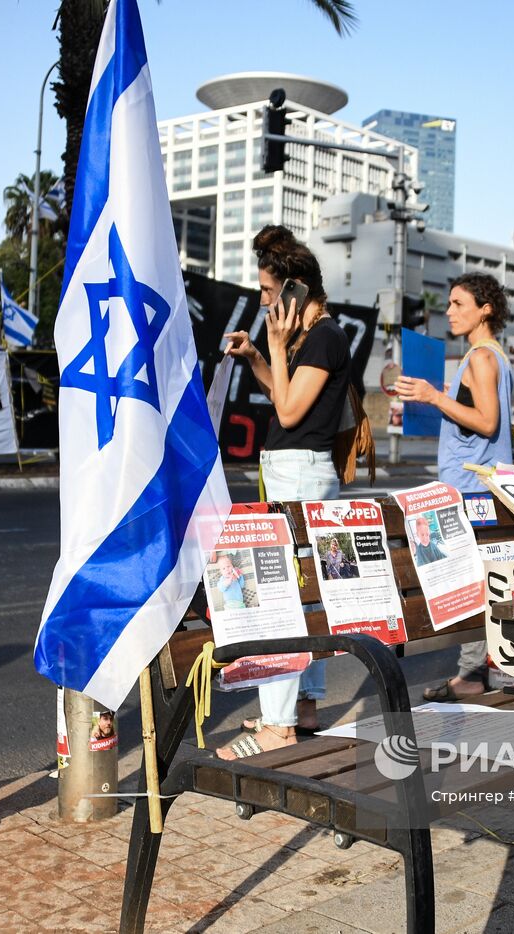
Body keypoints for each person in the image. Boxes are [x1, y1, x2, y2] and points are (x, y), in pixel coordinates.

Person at [219, 225, 351, 757]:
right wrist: (258, 356)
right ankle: (306, 703)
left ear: (295, 291)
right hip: (294, 469)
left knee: (280, 597)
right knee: (304, 590)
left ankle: (279, 723)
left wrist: (274, 343)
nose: (264, 304)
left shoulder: (324, 336)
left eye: (270, 294)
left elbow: (290, 412)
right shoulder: (313, 338)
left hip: (300, 472)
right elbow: (285, 394)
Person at [394, 272, 512, 701]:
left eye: (459, 304)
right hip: (482, 483)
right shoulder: (492, 355)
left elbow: (487, 422)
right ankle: (478, 671)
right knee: (482, 581)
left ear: (486, 309)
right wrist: (443, 396)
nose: (449, 312)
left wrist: (433, 396)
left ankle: (471, 675)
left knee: (469, 583)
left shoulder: (481, 357)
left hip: (471, 486)